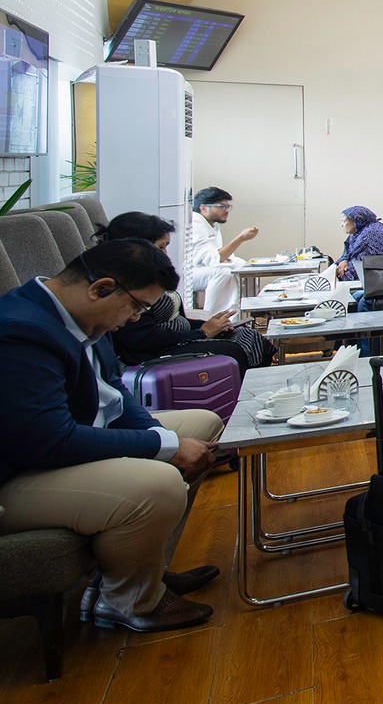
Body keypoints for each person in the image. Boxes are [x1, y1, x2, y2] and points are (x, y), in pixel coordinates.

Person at [0, 238, 223, 633]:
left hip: (62, 443)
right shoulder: (21, 331)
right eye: (137, 306)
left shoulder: (78, 314)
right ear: (101, 288)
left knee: (201, 426)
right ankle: (129, 601)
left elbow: (112, 391)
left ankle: (142, 569)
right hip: (16, 476)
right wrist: (164, 448)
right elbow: (48, 441)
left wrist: (160, 436)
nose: (135, 318)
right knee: (159, 482)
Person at [101, 212, 274, 371]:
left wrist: (210, 326)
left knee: (248, 336)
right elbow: (141, 337)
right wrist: (202, 333)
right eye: (161, 247)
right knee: (232, 351)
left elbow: (178, 318)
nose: (165, 254)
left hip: (179, 339)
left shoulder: (151, 276)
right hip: (155, 351)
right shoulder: (130, 285)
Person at [186, 185, 258, 318]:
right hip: (187, 274)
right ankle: (215, 320)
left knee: (242, 265)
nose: (226, 211)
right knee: (224, 273)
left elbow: (217, 255)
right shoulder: (196, 224)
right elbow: (214, 258)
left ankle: (245, 315)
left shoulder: (211, 224)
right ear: (203, 207)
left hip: (201, 269)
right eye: (221, 206)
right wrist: (240, 238)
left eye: (228, 207)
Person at [336, 205, 383, 281]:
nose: (341, 225)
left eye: (344, 221)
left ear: (355, 220)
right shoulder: (357, 233)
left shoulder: (370, 233)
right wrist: (343, 261)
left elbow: (358, 267)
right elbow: (347, 253)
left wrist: (340, 271)